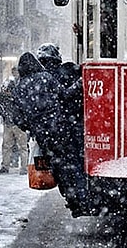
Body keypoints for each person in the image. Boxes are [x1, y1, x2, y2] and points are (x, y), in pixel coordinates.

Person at [13, 51, 86, 216]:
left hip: (43, 135)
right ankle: (80, 199)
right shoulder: (45, 78)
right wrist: (81, 82)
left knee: (58, 167)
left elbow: (18, 119)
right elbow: (65, 95)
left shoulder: (19, 87)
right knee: (72, 163)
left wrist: (33, 126)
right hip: (60, 129)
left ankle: (70, 198)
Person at [0, 69, 28, 174]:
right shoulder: (20, 97)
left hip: (10, 124)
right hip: (18, 124)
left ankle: (6, 166)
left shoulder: (6, 98)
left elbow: (0, 109)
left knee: (7, 146)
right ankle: (23, 168)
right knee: (22, 147)